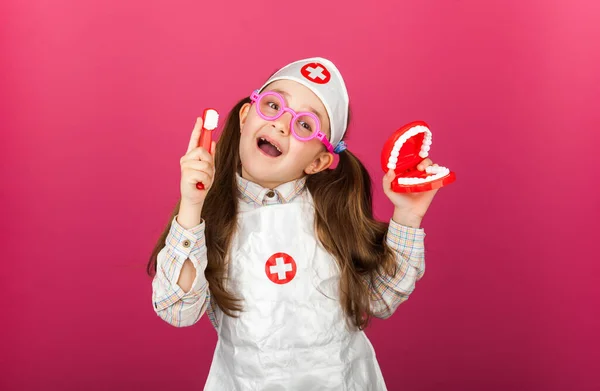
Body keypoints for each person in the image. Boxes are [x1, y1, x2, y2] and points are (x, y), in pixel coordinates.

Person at [147, 57, 440, 390]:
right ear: (246, 117)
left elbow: (380, 300)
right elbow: (178, 311)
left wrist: (408, 215)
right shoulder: (211, 217)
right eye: (273, 105)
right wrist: (192, 205)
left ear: (318, 162)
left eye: (305, 125)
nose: (282, 124)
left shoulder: (333, 216)